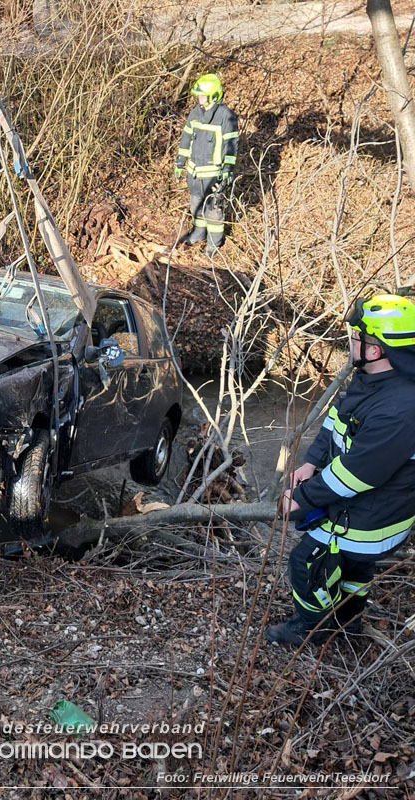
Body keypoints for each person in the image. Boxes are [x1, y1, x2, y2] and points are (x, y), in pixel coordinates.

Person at [267, 294, 415, 645]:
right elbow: (337, 423)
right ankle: (349, 619)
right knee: (355, 569)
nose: (349, 342)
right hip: (374, 509)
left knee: (305, 563)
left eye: (355, 337)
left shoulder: (399, 409)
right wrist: (310, 462)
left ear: (376, 350)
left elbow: (357, 475)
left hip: (373, 519)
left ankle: (313, 627)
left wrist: (300, 497)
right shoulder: (374, 379)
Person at [174, 73, 239, 257]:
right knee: (196, 207)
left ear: (213, 95)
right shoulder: (195, 113)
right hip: (194, 174)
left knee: (213, 212)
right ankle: (197, 235)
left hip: (213, 175)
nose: (199, 99)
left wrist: (227, 169)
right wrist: (180, 162)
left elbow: (231, 146)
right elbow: (186, 138)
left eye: (202, 95)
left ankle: (213, 244)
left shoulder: (226, 116)